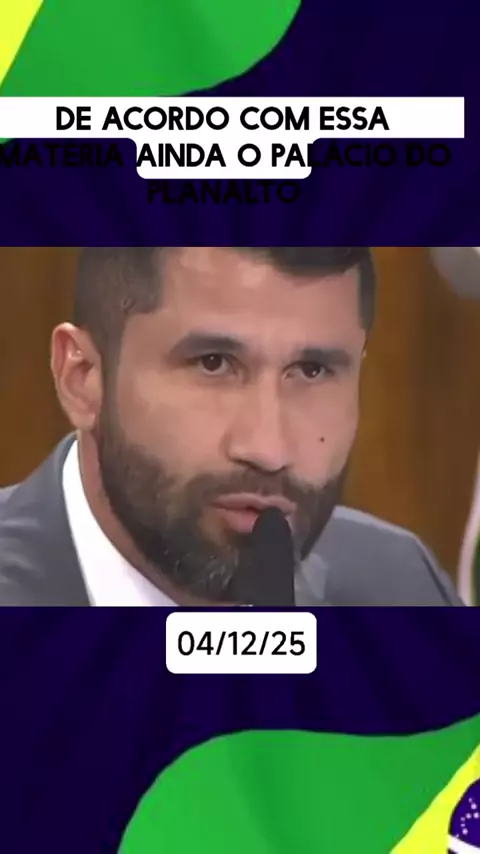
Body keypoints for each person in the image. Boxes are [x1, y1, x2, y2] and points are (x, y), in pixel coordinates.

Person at [0, 246, 463, 606]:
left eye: (311, 370)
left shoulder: (400, 584)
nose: (269, 449)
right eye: (213, 363)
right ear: (83, 379)